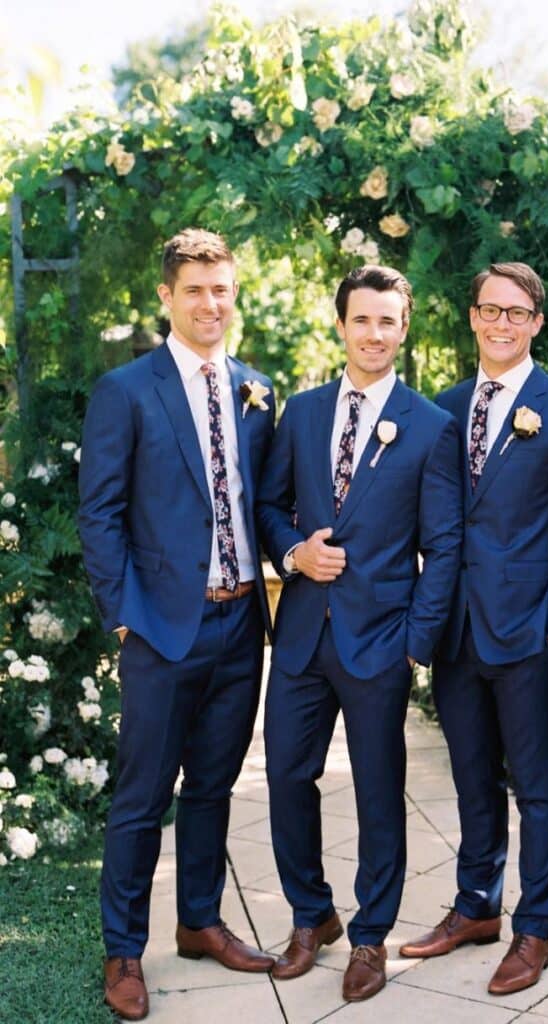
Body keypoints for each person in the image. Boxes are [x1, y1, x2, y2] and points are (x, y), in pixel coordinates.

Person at [78, 228, 276, 1021]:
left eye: (221, 288)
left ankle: (199, 921)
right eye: (193, 290)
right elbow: (100, 514)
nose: (209, 303)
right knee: (141, 797)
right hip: (162, 628)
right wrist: (125, 619)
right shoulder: (127, 390)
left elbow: (260, 502)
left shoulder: (257, 389)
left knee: (213, 788)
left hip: (238, 626)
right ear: (165, 297)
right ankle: (123, 951)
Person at [256, 264, 463, 1002]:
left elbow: (443, 548)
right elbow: (270, 506)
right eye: (361, 319)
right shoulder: (303, 413)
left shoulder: (432, 427)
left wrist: (414, 642)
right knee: (286, 777)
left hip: (381, 640)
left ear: (402, 328)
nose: (373, 333)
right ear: (340, 324)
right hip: (304, 635)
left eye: (387, 321)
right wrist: (293, 552)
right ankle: (312, 917)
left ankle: (371, 935)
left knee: (379, 792)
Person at [399, 262, 548, 996]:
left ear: (536, 323)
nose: (502, 323)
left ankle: (534, 928)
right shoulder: (444, 408)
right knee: (470, 780)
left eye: (516, 313)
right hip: (456, 631)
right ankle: (475, 906)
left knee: (539, 789)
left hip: (526, 633)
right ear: (472, 316)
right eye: (490, 310)